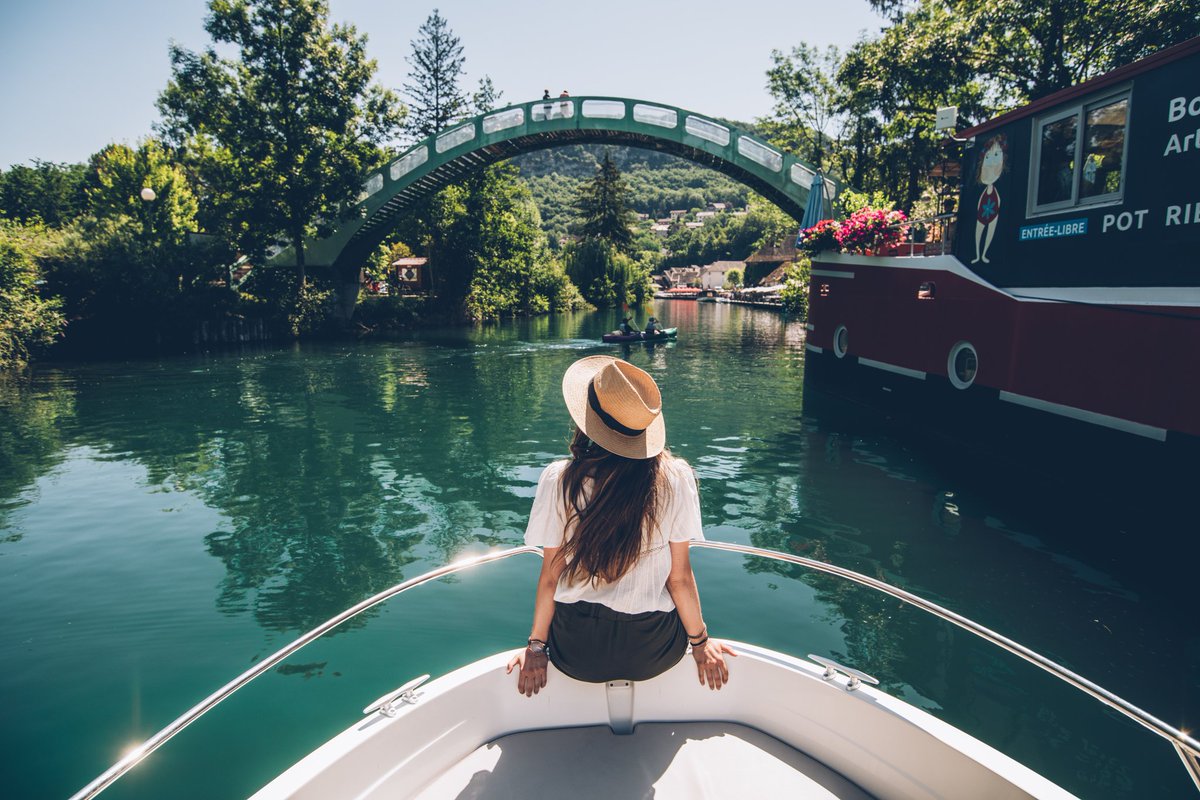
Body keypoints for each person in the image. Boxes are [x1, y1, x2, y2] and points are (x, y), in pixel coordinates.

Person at [507, 356, 735, 695]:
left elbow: (551, 575)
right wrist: (700, 644)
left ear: (587, 419)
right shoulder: (675, 478)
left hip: (577, 652)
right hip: (653, 652)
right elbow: (680, 578)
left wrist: (537, 646)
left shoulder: (559, 480)